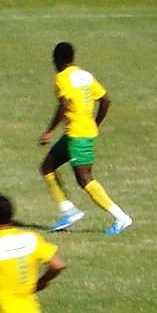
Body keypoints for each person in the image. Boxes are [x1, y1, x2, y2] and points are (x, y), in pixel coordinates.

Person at [39, 42, 132, 234]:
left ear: (59, 60)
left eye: (54, 60)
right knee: (47, 166)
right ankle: (67, 210)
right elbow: (105, 100)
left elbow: (63, 105)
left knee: (84, 178)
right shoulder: (86, 75)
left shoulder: (62, 78)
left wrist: (48, 131)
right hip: (79, 132)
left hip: (78, 135)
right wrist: (95, 123)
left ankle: (120, 217)